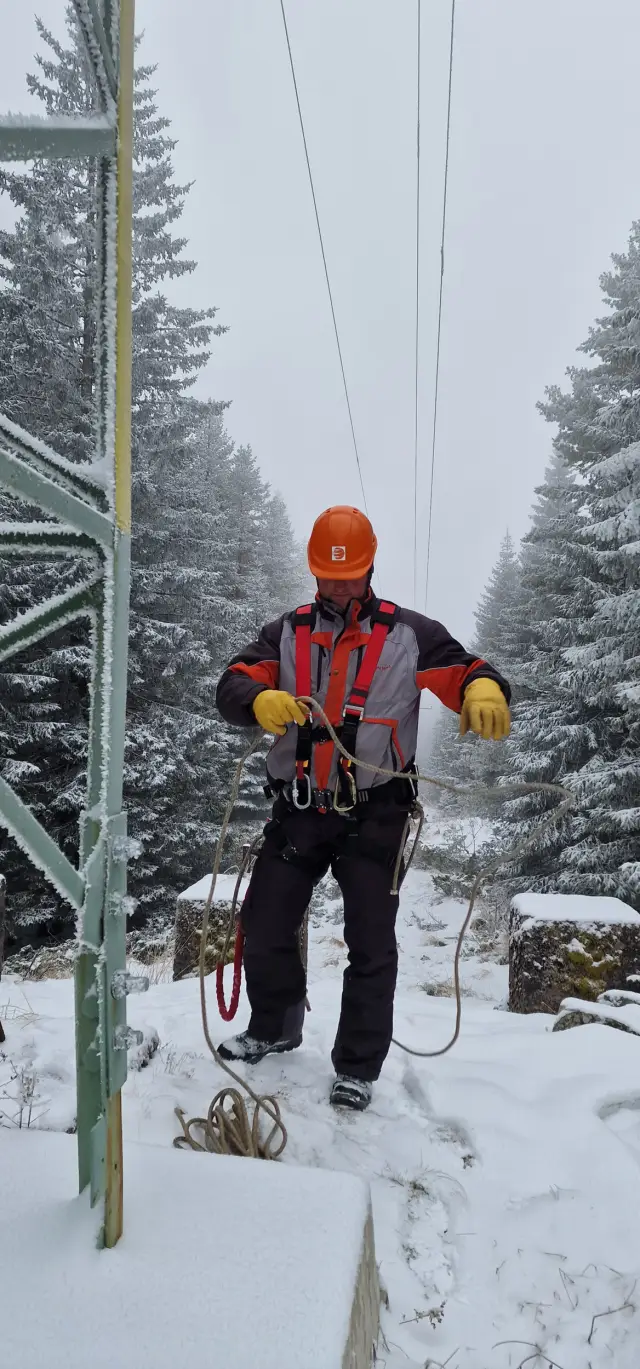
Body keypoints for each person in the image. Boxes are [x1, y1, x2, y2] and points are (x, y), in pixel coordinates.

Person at [215, 506, 510, 1110]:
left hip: (377, 814)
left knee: (370, 945)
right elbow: (234, 681)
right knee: (265, 924)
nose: (339, 586)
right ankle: (274, 1026)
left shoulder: (411, 634)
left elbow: (468, 669)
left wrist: (484, 688)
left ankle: (356, 1066)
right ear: (314, 571)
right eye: (328, 576)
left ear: (370, 566)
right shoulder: (287, 632)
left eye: (348, 576)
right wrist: (259, 699)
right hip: (300, 807)